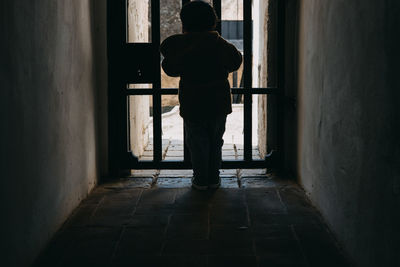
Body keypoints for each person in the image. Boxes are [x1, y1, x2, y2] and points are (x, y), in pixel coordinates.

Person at [160, 0, 242, 190]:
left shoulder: (182, 45)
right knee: (216, 141)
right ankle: (213, 178)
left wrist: (182, 42)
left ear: (184, 23)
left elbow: (169, 66)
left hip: (192, 101)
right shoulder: (219, 44)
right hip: (218, 102)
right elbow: (235, 61)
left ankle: (200, 179)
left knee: (196, 142)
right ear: (213, 21)